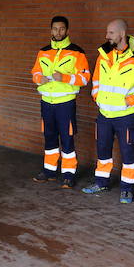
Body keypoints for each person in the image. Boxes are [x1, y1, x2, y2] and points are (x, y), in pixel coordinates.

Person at [81, 19, 134, 203]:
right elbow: (96, 80)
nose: (107, 36)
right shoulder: (103, 55)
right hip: (104, 114)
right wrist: (96, 97)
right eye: (107, 33)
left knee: (128, 153)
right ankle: (101, 182)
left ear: (122, 34)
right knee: (103, 150)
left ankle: (126, 189)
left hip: (126, 116)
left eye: (111, 33)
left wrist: (129, 101)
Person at [30, 15, 90, 188]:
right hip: (46, 103)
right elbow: (35, 72)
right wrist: (39, 78)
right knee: (49, 138)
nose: (58, 32)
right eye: (55, 29)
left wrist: (64, 77)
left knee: (67, 138)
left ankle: (68, 174)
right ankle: (49, 171)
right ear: (51, 30)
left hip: (65, 103)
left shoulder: (77, 52)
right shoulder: (43, 51)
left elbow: (85, 78)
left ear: (67, 30)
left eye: (62, 29)